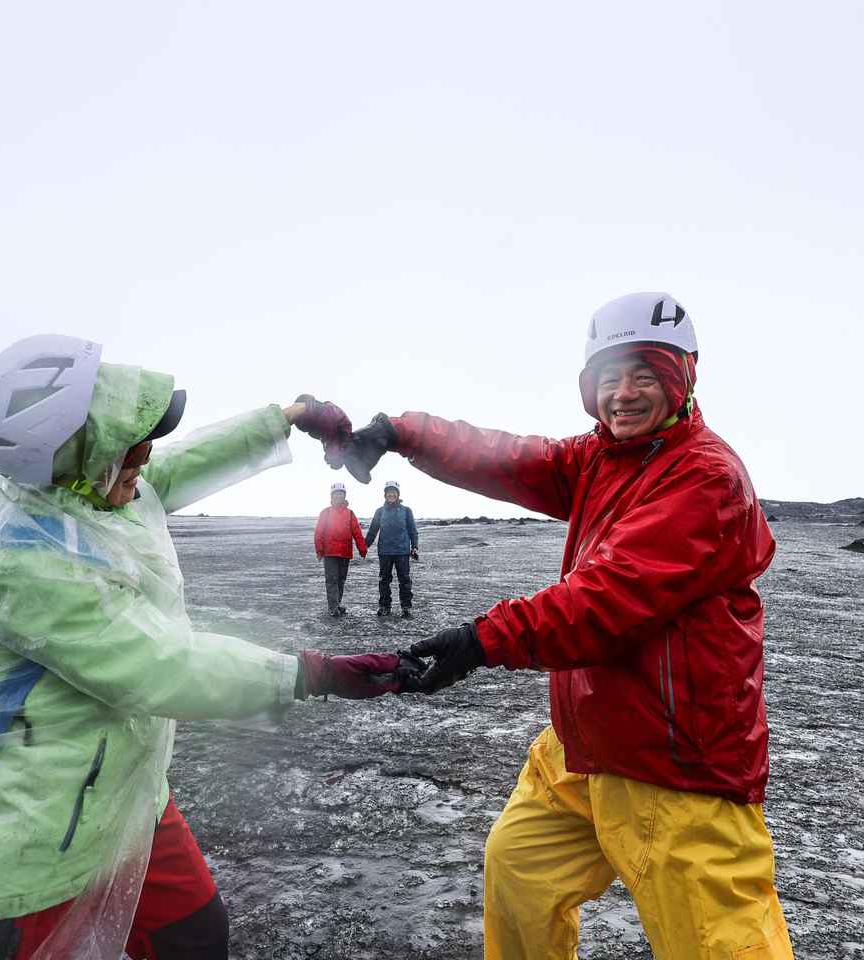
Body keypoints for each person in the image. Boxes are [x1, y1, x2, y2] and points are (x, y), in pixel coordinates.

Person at [0, 335, 412, 960]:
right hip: (30, 832)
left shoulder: (86, 491)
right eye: (131, 447)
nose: (145, 458)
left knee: (194, 936)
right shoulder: (23, 565)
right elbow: (161, 667)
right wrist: (311, 673)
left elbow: (171, 468)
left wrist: (286, 416)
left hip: (124, 793)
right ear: (77, 456)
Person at [338, 293, 794, 959]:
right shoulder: (600, 459)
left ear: (682, 378)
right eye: (609, 377)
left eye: (644, 375)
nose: (623, 394)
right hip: (584, 746)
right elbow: (507, 457)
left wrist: (481, 639)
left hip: (675, 761)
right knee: (519, 870)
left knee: (722, 944)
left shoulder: (705, 477)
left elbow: (606, 599)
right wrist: (402, 433)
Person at [363, 480, 419, 618]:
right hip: (385, 551)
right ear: (385, 494)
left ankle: (406, 607)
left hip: (402, 551)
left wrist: (414, 547)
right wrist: (364, 546)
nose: (391, 494)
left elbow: (413, 531)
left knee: (404, 580)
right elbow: (373, 530)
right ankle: (384, 606)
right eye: (389, 492)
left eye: (394, 492)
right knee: (384, 580)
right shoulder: (380, 511)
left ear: (398, 494)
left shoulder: (406, 511)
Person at [313, 481, 368, 617]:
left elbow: (357, 532)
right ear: (332, 496)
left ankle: (337, 603)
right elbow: (319, 532)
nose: (338, 496)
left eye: (341, 494)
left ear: (344, 496)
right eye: (336, 494)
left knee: (341, 580)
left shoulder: (350, 514)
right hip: (330, 553)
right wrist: (319, 550)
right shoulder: (325, 513)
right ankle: (333, 607)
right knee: (331, 580)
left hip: (345, 553)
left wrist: (362, 549)